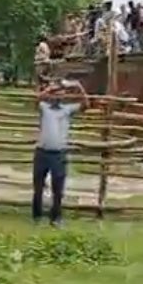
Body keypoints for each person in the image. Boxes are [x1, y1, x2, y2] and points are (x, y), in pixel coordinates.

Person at [33, 80, 87, 226]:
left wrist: (78, 86)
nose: (57, 96)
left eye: (60, 94)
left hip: (59, 154)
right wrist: (50, 89)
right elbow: (36, 99)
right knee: (38, 187)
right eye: (55, 94)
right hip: (42, 152)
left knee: (58, 188)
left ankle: (55, 218)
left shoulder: (67, 109)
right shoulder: (44, 107)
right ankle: (36, 216)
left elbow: (85, 105)